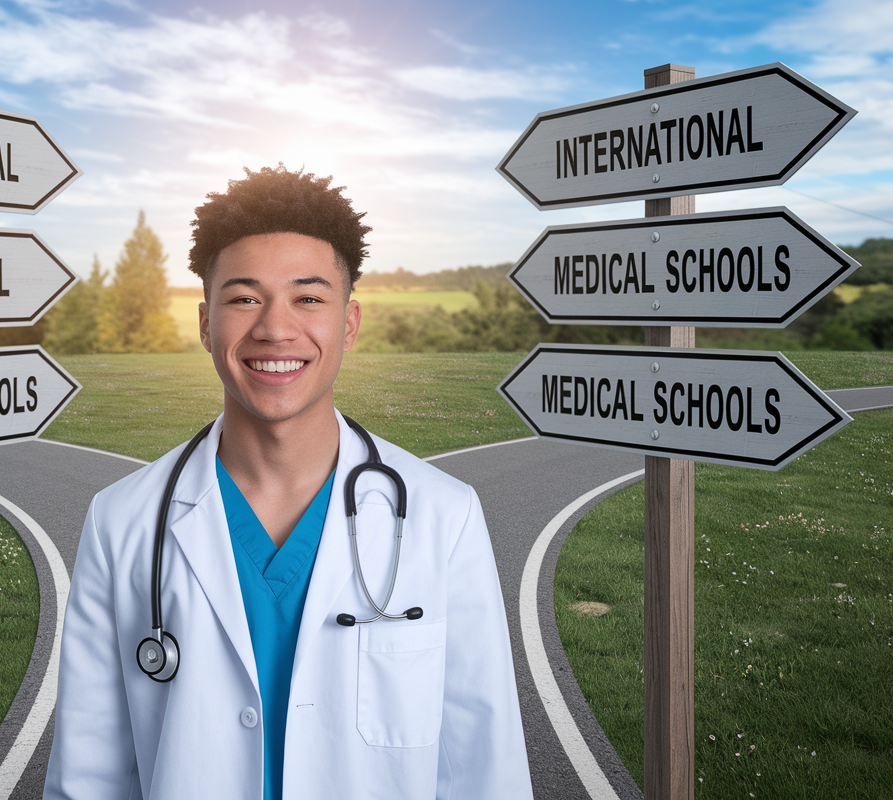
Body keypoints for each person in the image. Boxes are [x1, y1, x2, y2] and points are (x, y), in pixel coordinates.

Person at [43, 166, 532, 800]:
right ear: (204, 322)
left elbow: (484, 770)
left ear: (349, 323)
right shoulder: (121, 523)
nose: (275, 328)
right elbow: (88, 779)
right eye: (244, 298)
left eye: (308, 297)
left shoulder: (445, 516)